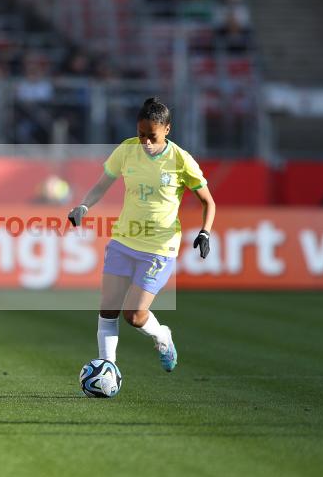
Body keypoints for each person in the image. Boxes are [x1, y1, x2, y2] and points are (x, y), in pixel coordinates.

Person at [67, 98, 216, 373]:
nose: (145, 142)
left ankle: (163, 336)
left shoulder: (182, 160)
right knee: (108, 309)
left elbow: (208, 201)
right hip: (123, 241)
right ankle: (107, 367)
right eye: (141, 134)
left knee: (134, 316)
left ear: (167, 130)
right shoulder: (127, 150)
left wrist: (205, 232)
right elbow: (102, 186)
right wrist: (84, 205)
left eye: (152, 136)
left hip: (158, 248)